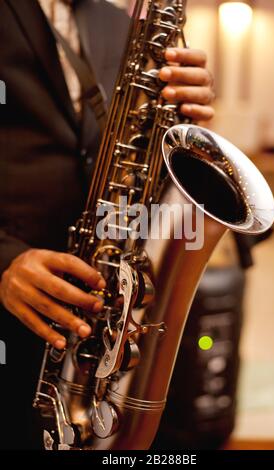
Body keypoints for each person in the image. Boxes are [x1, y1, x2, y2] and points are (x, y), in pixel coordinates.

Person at [0, 0, 215, 449]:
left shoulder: (117, 22)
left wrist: (178, 119)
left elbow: (127, 150)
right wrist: (4, 262)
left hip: (91, 313)